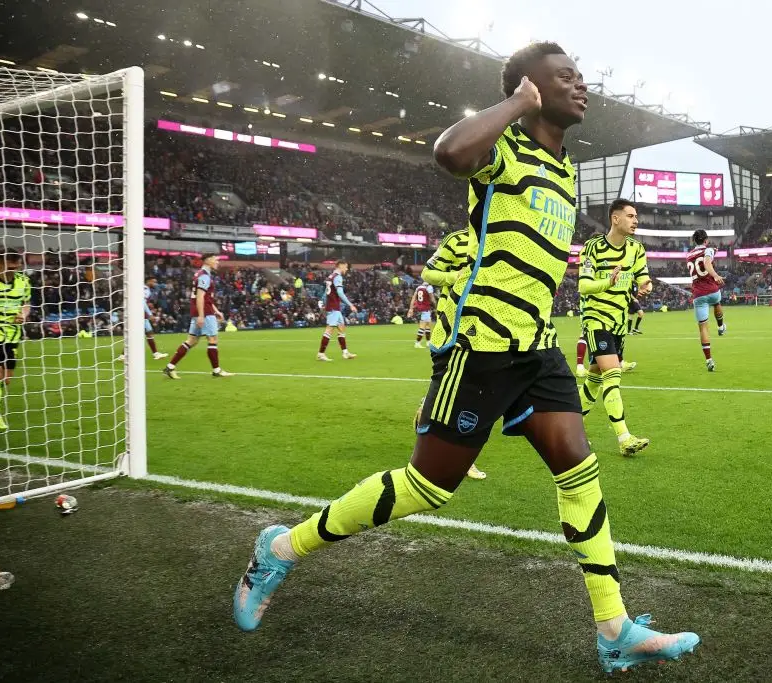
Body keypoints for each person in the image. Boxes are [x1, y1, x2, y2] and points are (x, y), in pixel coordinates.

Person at [232, 42, 699, 674]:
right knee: (428, 487)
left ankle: (613, 627)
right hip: (479, 351)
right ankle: (281, 548)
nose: (581, 86)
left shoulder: (564, 170)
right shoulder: (505, 147)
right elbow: (449, 153)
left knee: (579, 472)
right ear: (530, 89)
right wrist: (512, 104)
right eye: (565, 78)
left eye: (581, 77)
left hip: (538, 348)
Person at [577, 199, 651, 456]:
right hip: (596, 319)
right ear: (615, 219)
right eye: (630, 216)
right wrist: (607, 282)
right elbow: (584, 286)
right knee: (613, 373)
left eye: (636, 216)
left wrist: (645, 285)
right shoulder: (592, 248)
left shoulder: (636, 249)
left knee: (595, 378)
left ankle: (572, 429)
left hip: (619, 323)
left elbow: (643, 275)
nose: (635, 220)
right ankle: (624, 437)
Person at [421, 228, 485, 479]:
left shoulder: (500, 235)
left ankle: (427, 412)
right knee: (466, 387)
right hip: (454, 323)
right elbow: (428, 272)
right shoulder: (455, 240)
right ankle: (460, 457)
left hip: (487, 323)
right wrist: (455, 276)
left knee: (471, 386)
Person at [163, 253, 231, 379]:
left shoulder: (200, 274)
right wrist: (201, 315)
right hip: (204, 312)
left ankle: (170, 367)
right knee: (212, 339)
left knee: (192, 340)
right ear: (208, 261)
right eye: (215, 260)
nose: (217, 263)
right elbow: (200, 297)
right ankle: (216, 370)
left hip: (201, 310)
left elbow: (205, 297)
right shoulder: (204, 277)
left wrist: (216, 310)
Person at [0, 250, 31, 431]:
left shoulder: (23, 281)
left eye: (16, 267)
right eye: (9, 267)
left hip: (12, 335)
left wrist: (23, 314)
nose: (13, 271)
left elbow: (26, 303)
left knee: (6, 379)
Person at [686, 230, 725, 372]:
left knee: (703, 327)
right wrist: (715, 275)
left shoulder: (689, 255)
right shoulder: (708, 249)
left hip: (698, 294)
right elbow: (707, 263)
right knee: (716, 302)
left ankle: (709, 360)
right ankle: (721, 327)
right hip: (712, 290)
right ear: (706, 240)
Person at [120, 276, 169, 361]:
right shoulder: (144, 289)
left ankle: (155, 354)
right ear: (149, 281)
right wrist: (150, 314)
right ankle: (124, 355)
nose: (155, 284)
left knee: (148, 332)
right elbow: (141, 301)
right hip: (138, 313)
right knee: (139, 334)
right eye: (153, 282)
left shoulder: (146, 289)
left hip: (139, 313)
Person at [316, 262, 357, 361]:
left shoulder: (331, 276)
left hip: (334, 306)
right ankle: (321, 353)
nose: (347, 269)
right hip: (333, 306)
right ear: (341, 266)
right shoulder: (338, 277)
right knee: (329, 329)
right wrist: (350, 304)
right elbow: (340, 293)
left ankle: (345, 353)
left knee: (341, 328)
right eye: (346, 267)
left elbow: (326, 291)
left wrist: (321, 301)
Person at [407, 283, 435, 349]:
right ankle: (417, 343)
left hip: (420, 307)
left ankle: (428, 342)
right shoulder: (429, 287)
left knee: (428, 325)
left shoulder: (418, 287)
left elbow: (413, 298)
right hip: (426, 308)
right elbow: (432, 299)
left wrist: (411, 308)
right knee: (422, 326)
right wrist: (435, 305)